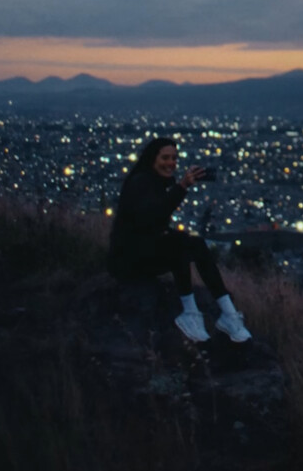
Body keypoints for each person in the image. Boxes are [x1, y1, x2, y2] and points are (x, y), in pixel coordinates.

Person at [107, 137, 250, 343]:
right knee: (180, 244)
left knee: (192, 243)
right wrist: (182, 186)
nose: (171, 163)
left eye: (174, 158)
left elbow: (156, 222)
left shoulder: (155, 182)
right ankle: (194, 313)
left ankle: (227, 313)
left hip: (140, 252)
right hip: (128, 260)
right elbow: (152, 216)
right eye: (165, 157)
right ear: (152, 159)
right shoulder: (141, 182)